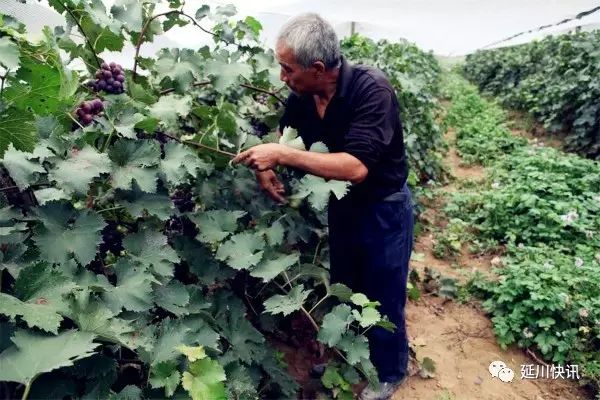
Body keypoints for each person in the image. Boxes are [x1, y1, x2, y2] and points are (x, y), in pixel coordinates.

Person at [233, 13, 414, 400]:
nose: (282, 77)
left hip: (384, 208)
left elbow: (355, 167)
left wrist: (281, 154)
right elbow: (287, 134)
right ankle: (352, 357)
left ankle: (390, 371)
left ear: (317, 68)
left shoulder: (372, 91)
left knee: (384, 291)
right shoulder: (303, 94)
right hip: (344, 206)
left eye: (287, 69)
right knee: (346, 286)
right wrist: (267, 165)